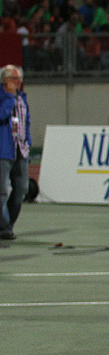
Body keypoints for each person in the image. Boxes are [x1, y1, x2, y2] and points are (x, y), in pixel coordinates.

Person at [0, 65, 30, 241]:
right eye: (15, 78)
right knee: (2, 192)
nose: (19, 82)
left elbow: (26, 121)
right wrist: (9, 97)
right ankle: (4, 227)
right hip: (3, 151)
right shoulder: (5, 97)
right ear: (5, 81)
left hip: (21, 151)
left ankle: (7, 225)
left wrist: (28, 141)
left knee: (21, 190)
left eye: (20, 78)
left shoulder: (22, 98)